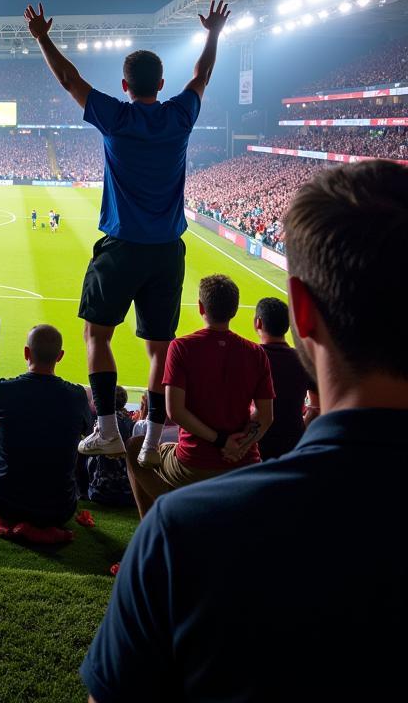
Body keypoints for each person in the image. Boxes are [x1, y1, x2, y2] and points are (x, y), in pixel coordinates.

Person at [81, 160, 408, 700]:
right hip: (241, 457)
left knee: (140, 457)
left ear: (301, 312)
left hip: (200, 468)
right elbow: (269, 417)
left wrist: (217, 441)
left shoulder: (182, 533)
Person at [24, 0, 230, 464]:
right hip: (166, 251)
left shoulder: (115, 117)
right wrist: (213, 33)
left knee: (97, 336)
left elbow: (69, 80)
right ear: (161, 84)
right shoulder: (180, 116)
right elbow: (201, 76)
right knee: (160, 349)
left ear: (124, 85)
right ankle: (155, 442)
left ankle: (107, 430)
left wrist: (42, 37)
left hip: (120, 248)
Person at [123, 274, 275, 517]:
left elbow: (175, 411)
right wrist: (239, 446)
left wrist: (220, 441)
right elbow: (265, 416)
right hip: (246, 464)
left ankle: (158, 524)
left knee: (135, 448)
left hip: (194, 463)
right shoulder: (256, 353)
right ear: (235, 311)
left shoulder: (182, 347)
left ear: (201, 307)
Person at [0, 325, 91, 533]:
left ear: (26, 352)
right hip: (60, 510)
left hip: (5, 503)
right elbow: (87, 432)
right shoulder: (77, 395)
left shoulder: (3, 389)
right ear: (60, 356)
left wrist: (5, 421)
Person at [253, 296, 315, 459]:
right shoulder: (304, 359)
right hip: (293, 446)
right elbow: (316, 408)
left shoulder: (249, 357)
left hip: (255, 446)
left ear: (258, 323)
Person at [85, 387, 135, 506]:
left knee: (84, 449)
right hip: (127, 493)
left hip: (101, 493)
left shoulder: (101, 424)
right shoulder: (131, 423)